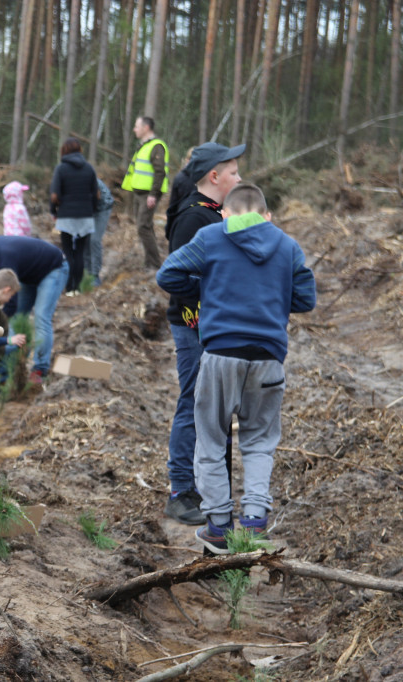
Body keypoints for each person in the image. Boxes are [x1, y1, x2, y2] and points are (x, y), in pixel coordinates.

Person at [156, 183, 316, 553]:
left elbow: (168, 275)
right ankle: (256, 521)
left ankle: (218, 526)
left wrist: (206, 289)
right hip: (268, 358)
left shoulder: (212, 236)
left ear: (225, 213)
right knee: (259, 442)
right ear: (266, 215)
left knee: (211, 440)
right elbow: (306, 298)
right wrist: (270, 296)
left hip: (220, 355)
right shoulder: (287, 245)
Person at [160, 142, 245, 525]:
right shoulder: (194, 218)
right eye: (234, 172)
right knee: (194, 402)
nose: (239, 178)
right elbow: (177, 280)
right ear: (214, 176)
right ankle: (181, 492)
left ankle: (212, 487)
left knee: (216, 408)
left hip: (216, 325)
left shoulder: (216, 214)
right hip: (194, 325)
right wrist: (221, 286)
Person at [0, 235, 68, 384]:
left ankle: (40, 369)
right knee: (17, 318)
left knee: (41, 317)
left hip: (53, 268)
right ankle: (11, 367)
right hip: (29, 274)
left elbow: (11, 304)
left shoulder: (3, 261)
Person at [50, 137, 99, 293]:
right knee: (80, 252)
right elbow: (96, 194)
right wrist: (92, 211)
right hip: (85, 215)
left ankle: (69, 287)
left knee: (68, 252)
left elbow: (55, 195)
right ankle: (77, 288)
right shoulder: (89, 168)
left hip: (66, 216)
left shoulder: (61, 168)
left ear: (64, 151)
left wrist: (53, 211)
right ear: (79, 151)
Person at [121, 116, 169, 269]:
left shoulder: (156, 146)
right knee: (145, 226)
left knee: (143, 227)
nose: (134, 129)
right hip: (140, 193)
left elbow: (160, 172)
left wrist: (153, 195)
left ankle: (154, 265)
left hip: (148, 194)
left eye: (137, 126)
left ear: (146, 128)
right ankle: (150, 262)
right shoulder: (144, 145)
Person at [88, 178, 114, 288]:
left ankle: (94, 275)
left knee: (94, 240)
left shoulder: (87, 176)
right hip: (87, 208)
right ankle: (85, 273)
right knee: (83, 240)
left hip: (102, 207)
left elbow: (96, 197)